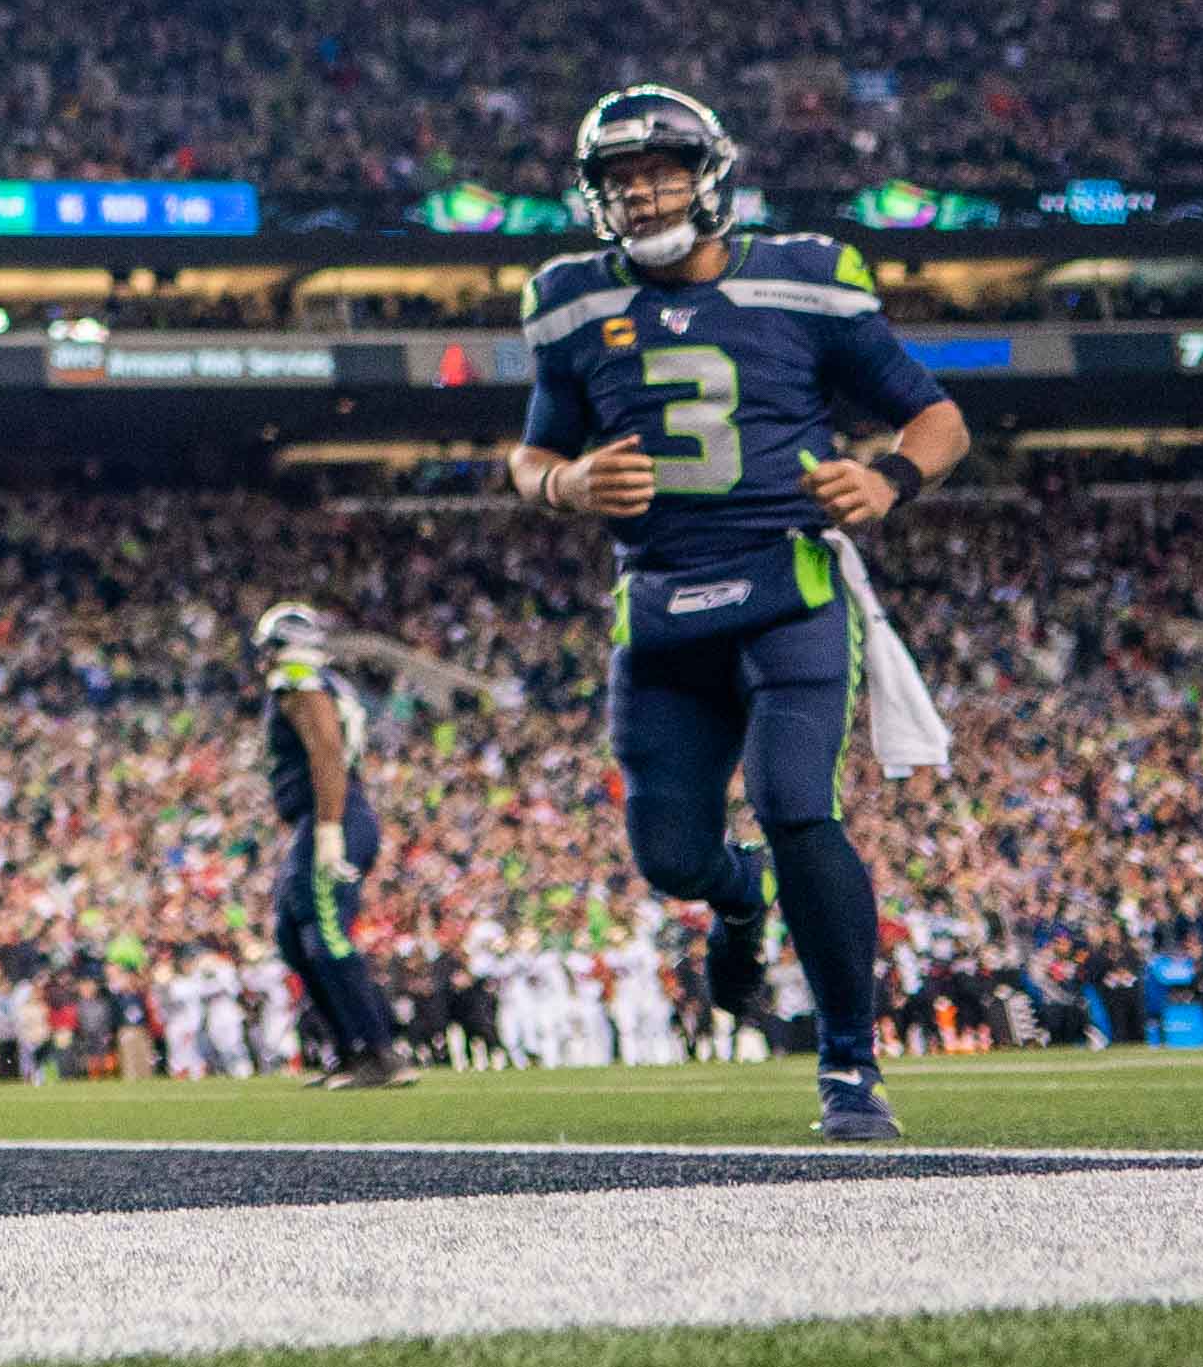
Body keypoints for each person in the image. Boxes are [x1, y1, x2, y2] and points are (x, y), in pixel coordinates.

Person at [507, 81, 968, 1145]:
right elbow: (530, 452)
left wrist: (891, 478)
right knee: (670, 855)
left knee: (794, 799)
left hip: (785, 586)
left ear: (710, 173)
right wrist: (568, 485)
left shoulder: (806, 277)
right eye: (621, 181)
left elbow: (938, 417)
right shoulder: (572, 299)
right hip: (663, 613)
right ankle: (739, 893)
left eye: (660, 171)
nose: (641, 194)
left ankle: (849, 1065)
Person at [257, 603, 411, 1087]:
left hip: (336, 815)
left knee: (325, 935)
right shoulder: (323, 680)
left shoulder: (299, 677)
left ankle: (378, 1050)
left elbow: (325, 749)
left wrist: (327, 827)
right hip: (325, 814)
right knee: (292, 935)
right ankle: (349, 1048)